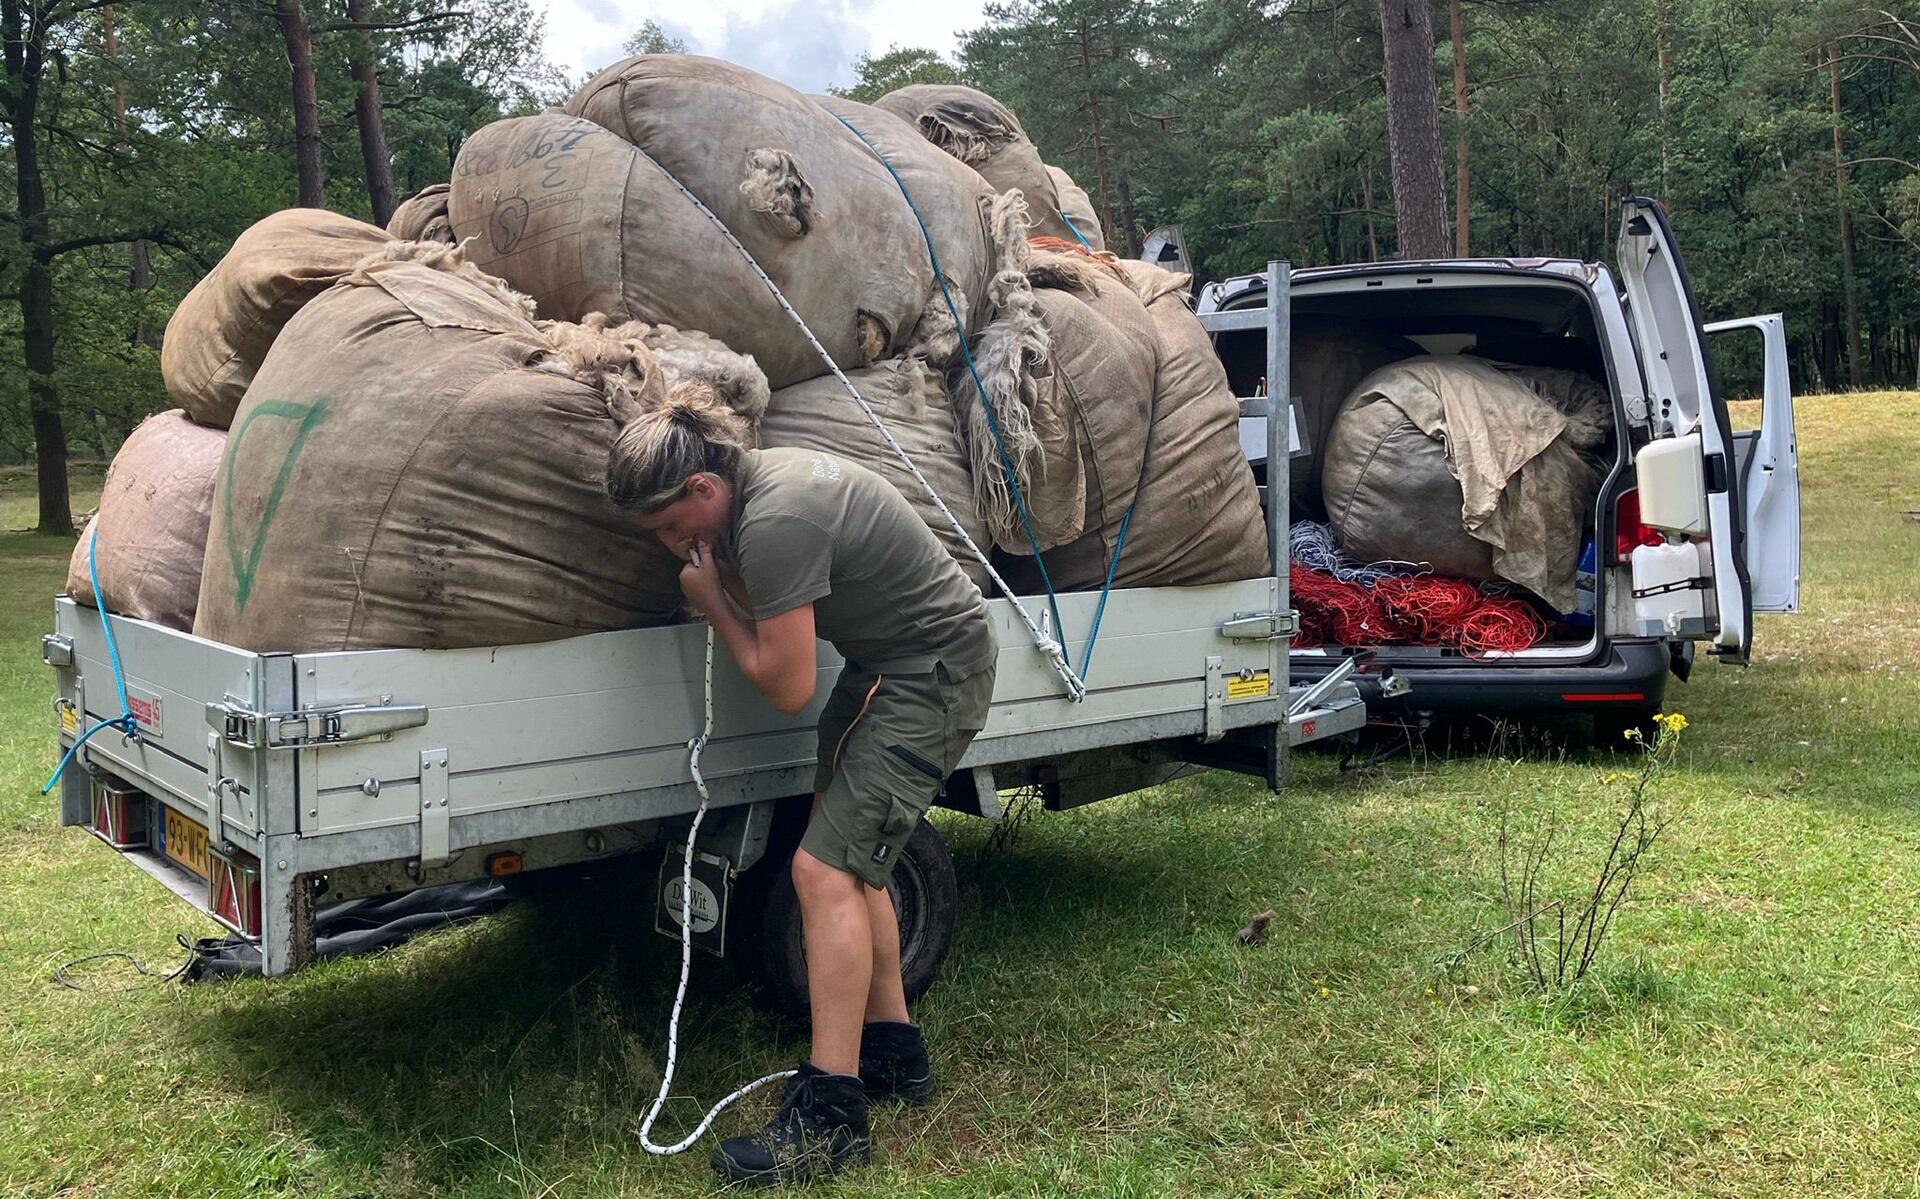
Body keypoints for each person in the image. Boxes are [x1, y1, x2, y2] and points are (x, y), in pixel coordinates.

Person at [605, 382, 997, 1186]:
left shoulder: (777, 517)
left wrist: (711, 597)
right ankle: (893, 1051)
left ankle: (832, 1116)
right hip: (889, 668)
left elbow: (784, 685)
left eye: (674, 526)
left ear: (703, 488)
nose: (674, 544)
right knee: (849, 859)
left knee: (824, 873)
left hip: (930, 674)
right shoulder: (760, 490)